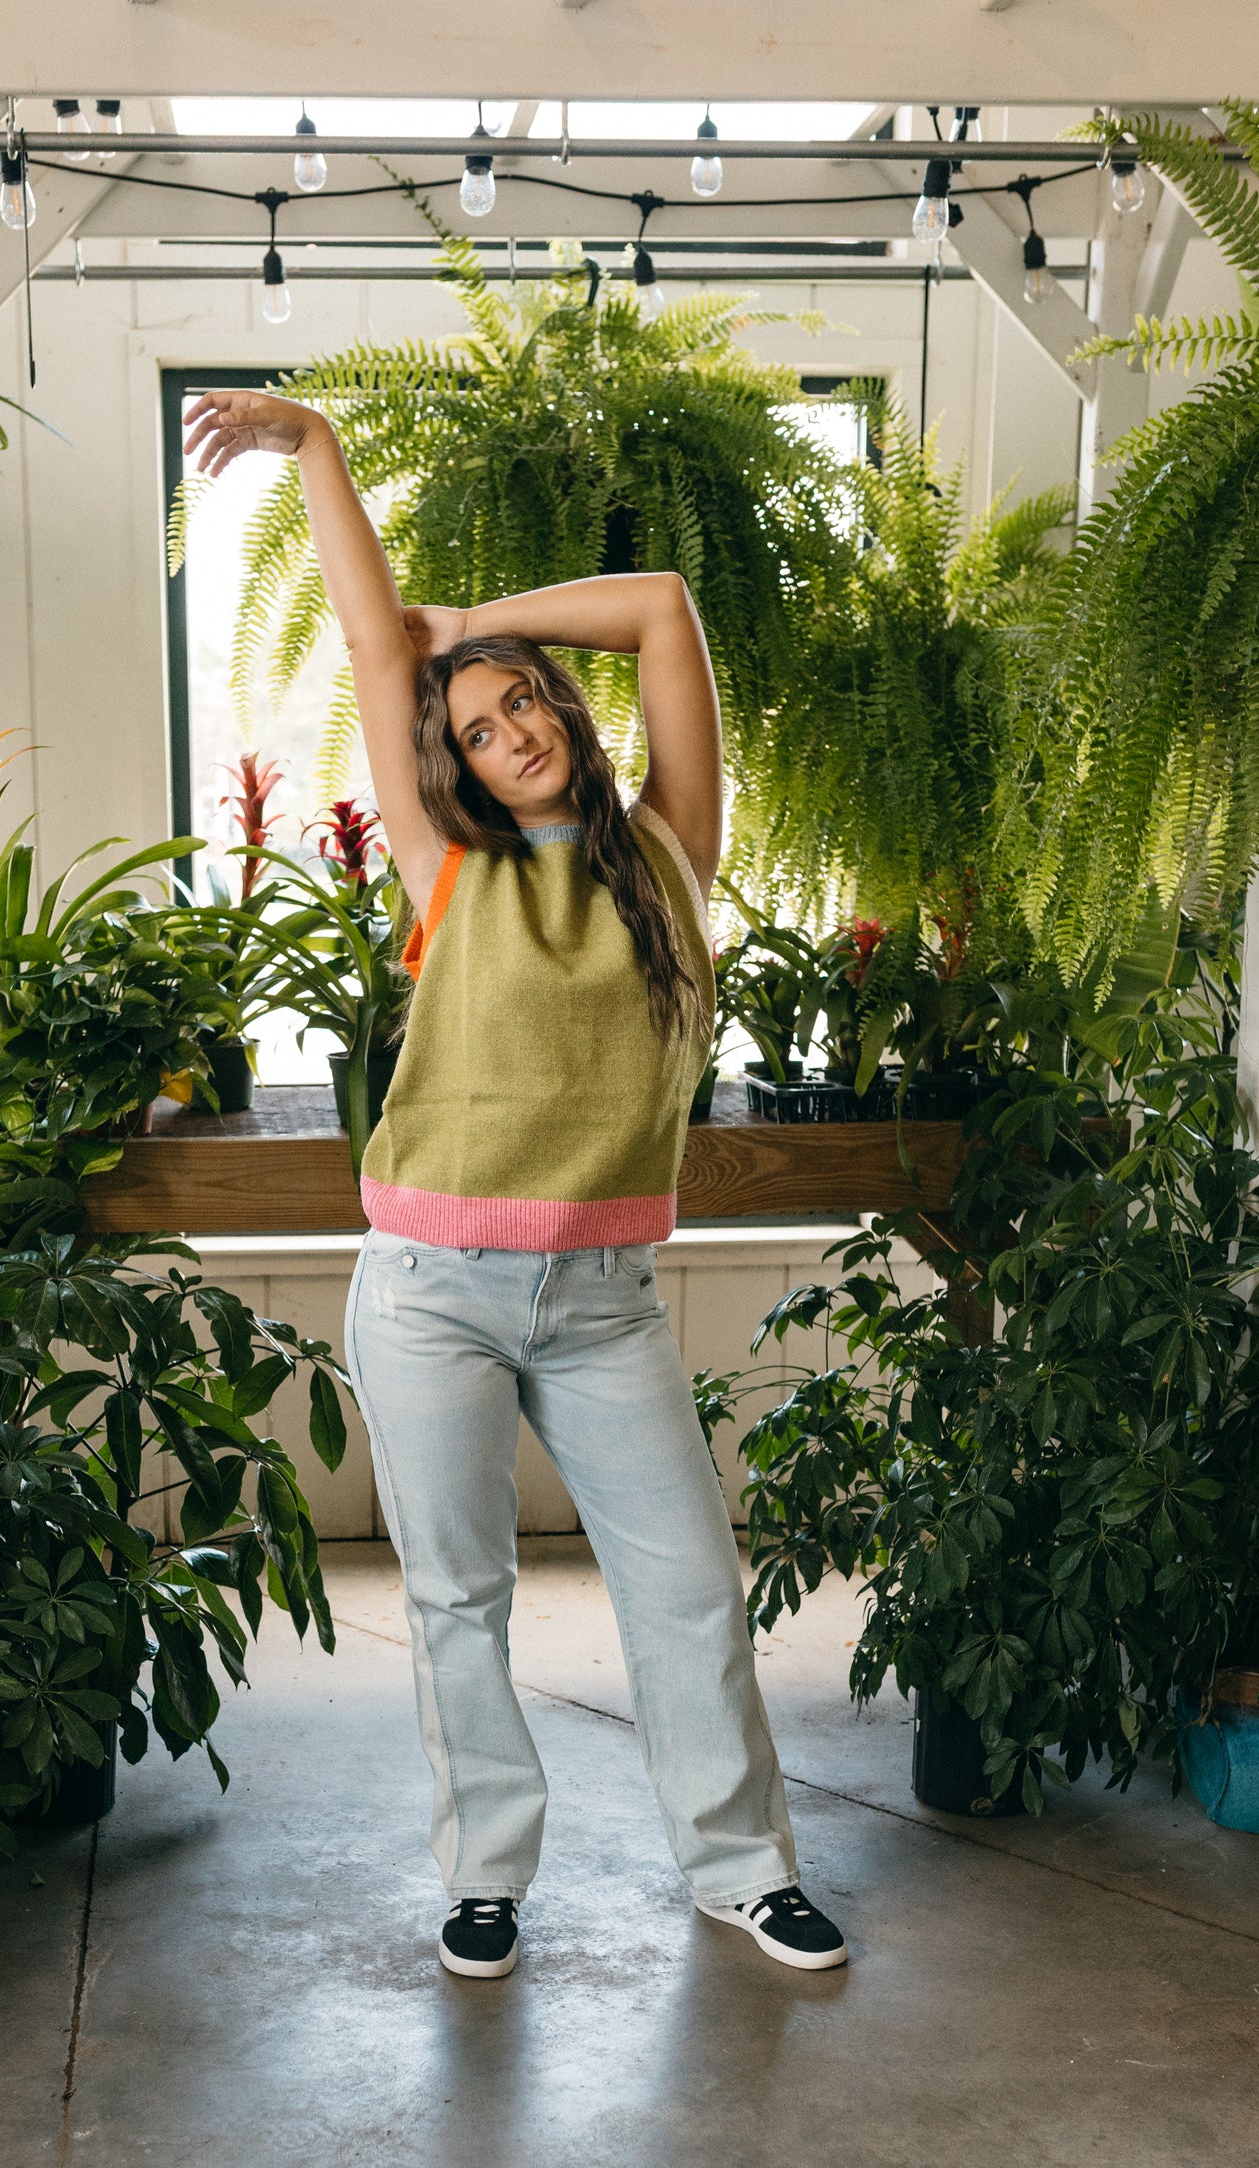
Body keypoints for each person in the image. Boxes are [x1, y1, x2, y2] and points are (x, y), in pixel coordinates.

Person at [184, 388, 848, 1981]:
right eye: (474, 726)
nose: (509, 733)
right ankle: (483, 1873)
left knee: (688, 1589)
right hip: (429, 1292)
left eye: (523, 704)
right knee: (462, 1597)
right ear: (455, 766)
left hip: (603, 1299)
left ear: (566, 705)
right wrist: (319, 451)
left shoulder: (675, 847)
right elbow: (366, 639)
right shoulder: (448, 866)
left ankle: (738, 1868)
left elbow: (662, 607)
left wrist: (468, 622)